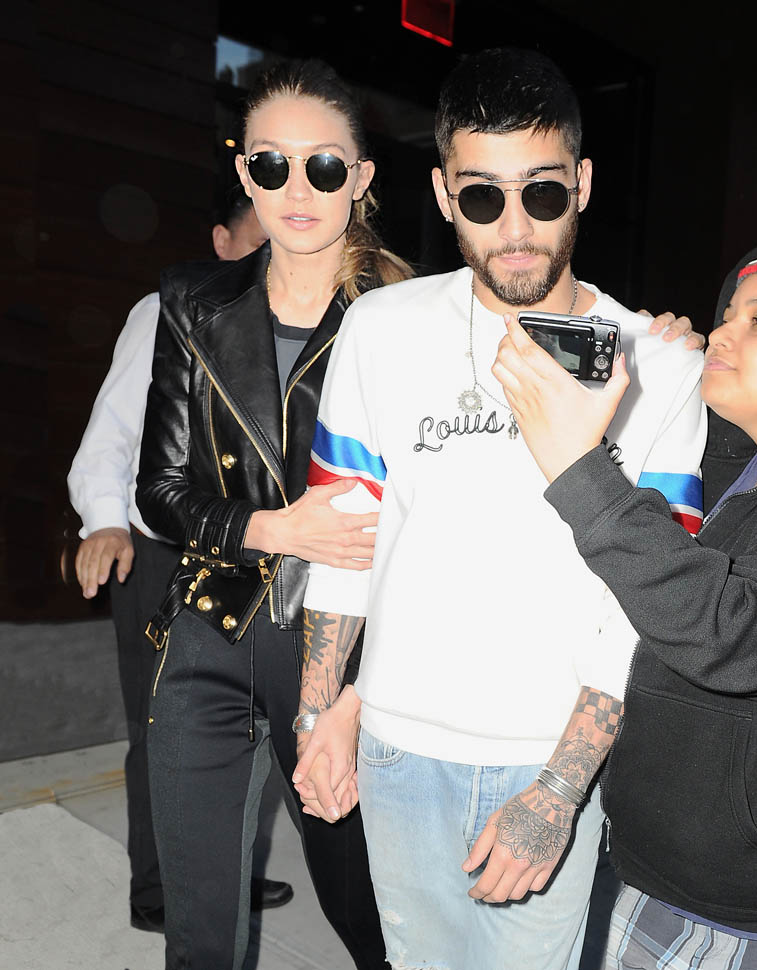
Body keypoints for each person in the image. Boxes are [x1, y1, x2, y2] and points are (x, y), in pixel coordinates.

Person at [292, 48, 706, 970]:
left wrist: (558, 789)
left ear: (582, 184)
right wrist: (320, 712)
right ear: (444, 195)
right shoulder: (381, 329)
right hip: (394, 745)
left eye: (542, 193)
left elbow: (645, 609)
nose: (514, 229)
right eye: (482, 197)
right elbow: (344, 535)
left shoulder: (658, 365)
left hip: (547, 756)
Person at [135, 59, 412, 970]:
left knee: (366, 911)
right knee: (199, 932)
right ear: (245, 174)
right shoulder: (191, 301)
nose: (298, 189)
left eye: (324, 166)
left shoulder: (407, 317)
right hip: (209, 627)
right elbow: (159, 491)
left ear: (360, 178)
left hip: (339, 646)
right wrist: (275, 528)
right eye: (271, 164)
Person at [493, 239, 757, 968]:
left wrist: (577, 468)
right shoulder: (736, 474)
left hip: (749, 917)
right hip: (659, 871)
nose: (722, 331)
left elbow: (745, 636)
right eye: (727, 313)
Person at [67, 191, 294, 935]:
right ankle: (160, 891)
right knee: (162, 729)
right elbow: (112, 430)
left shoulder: (303, 321)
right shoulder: (167, 311)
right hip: (164, 554)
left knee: (244, 726)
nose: (270, 258)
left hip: (255, 556)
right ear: (221, 242)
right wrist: (105, 523)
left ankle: (218, 877)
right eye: (257, 241)